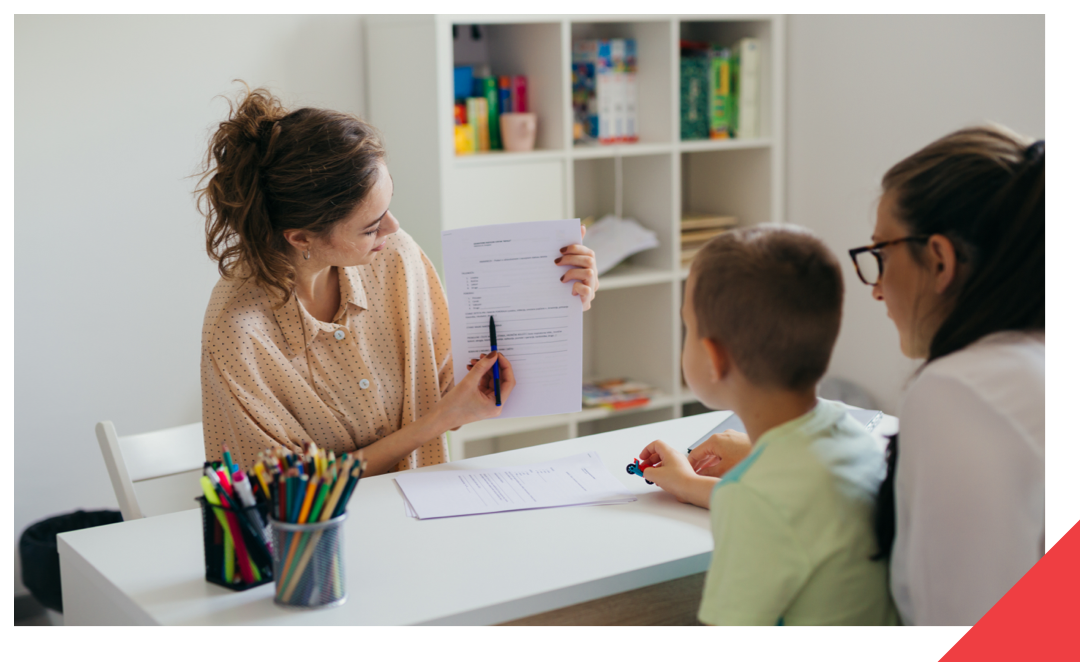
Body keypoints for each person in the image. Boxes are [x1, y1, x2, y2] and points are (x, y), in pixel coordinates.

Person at [195, 86, 598, 475]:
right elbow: (288, 494)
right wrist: (438, 421)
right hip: (319, 540)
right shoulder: (238, 333)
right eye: (371, 226)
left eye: (388, 207)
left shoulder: (395, 257)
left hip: (425, 518)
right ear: (301, 238)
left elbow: (457, 389)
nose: (393, 226)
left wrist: (555, 298)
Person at [638, 226, 897, 626]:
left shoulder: (753, 502)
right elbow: (789, 507)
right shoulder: (853, 437)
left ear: (714, 358)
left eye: (687, 326)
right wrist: (688, 484)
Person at [850, 126, 1045, 625]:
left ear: (939, 260)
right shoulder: (1026, 365)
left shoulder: (962, 390)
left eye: (881, 255)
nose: (876, 290)